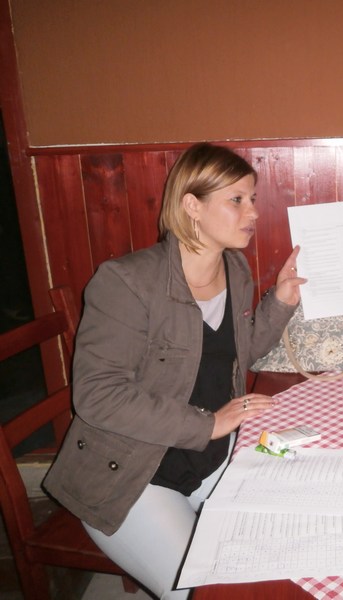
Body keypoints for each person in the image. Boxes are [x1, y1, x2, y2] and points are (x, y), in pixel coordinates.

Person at [43, 143, 305, 598]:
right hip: (133, 476)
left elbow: (239, 354)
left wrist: (280, 302)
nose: (254, 212)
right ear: (192, 206)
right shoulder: (126, 281)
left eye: (252, 199)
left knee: (295, 530)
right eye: (237, 200)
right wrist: (209, 424)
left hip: (211, 460)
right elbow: (97, 395)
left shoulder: (235, 268)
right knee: (208, 590)